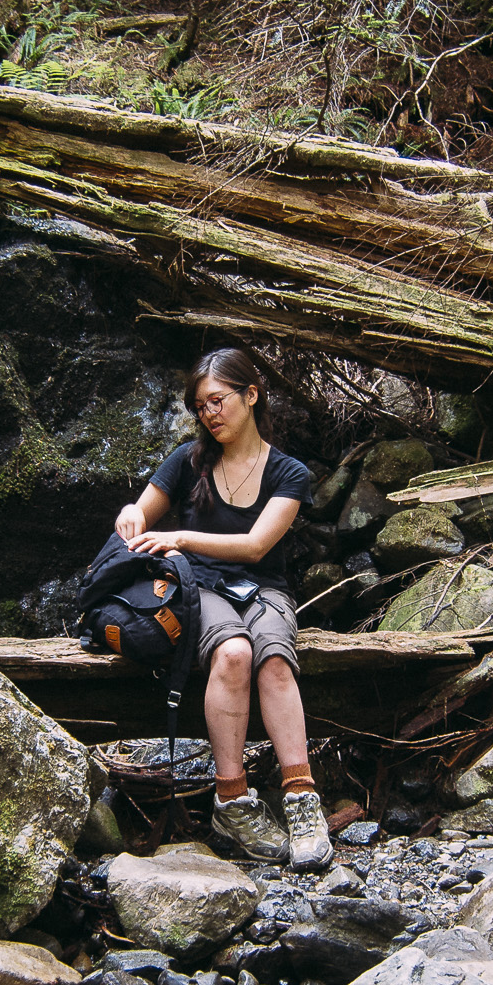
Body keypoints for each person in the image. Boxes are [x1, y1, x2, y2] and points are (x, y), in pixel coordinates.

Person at [116, 348, 334, 871]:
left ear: (251, 395)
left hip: (264, 589)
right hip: (198, 588)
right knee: (234, 653)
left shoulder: (289, 472)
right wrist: (131, 512)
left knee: (274, 659)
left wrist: (180, 536)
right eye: (200, 406)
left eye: (217, 400)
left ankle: (302, 799)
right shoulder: (187, 461)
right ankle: (231, 802)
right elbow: (142, 511)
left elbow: (256, 546)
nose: (209, 414)